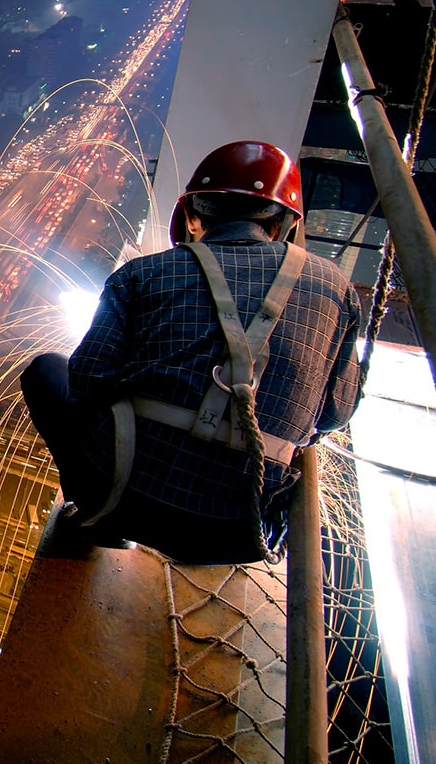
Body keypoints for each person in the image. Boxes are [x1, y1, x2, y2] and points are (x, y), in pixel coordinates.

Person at [21, 140, 362, 564]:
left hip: (125, 503)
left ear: (193, 215)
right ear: (283, 224)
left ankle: (96, 514)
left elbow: (87, 381)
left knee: (45, 370)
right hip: (243, 534)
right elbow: (335, 415)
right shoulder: (337, 289)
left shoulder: (143, 272)